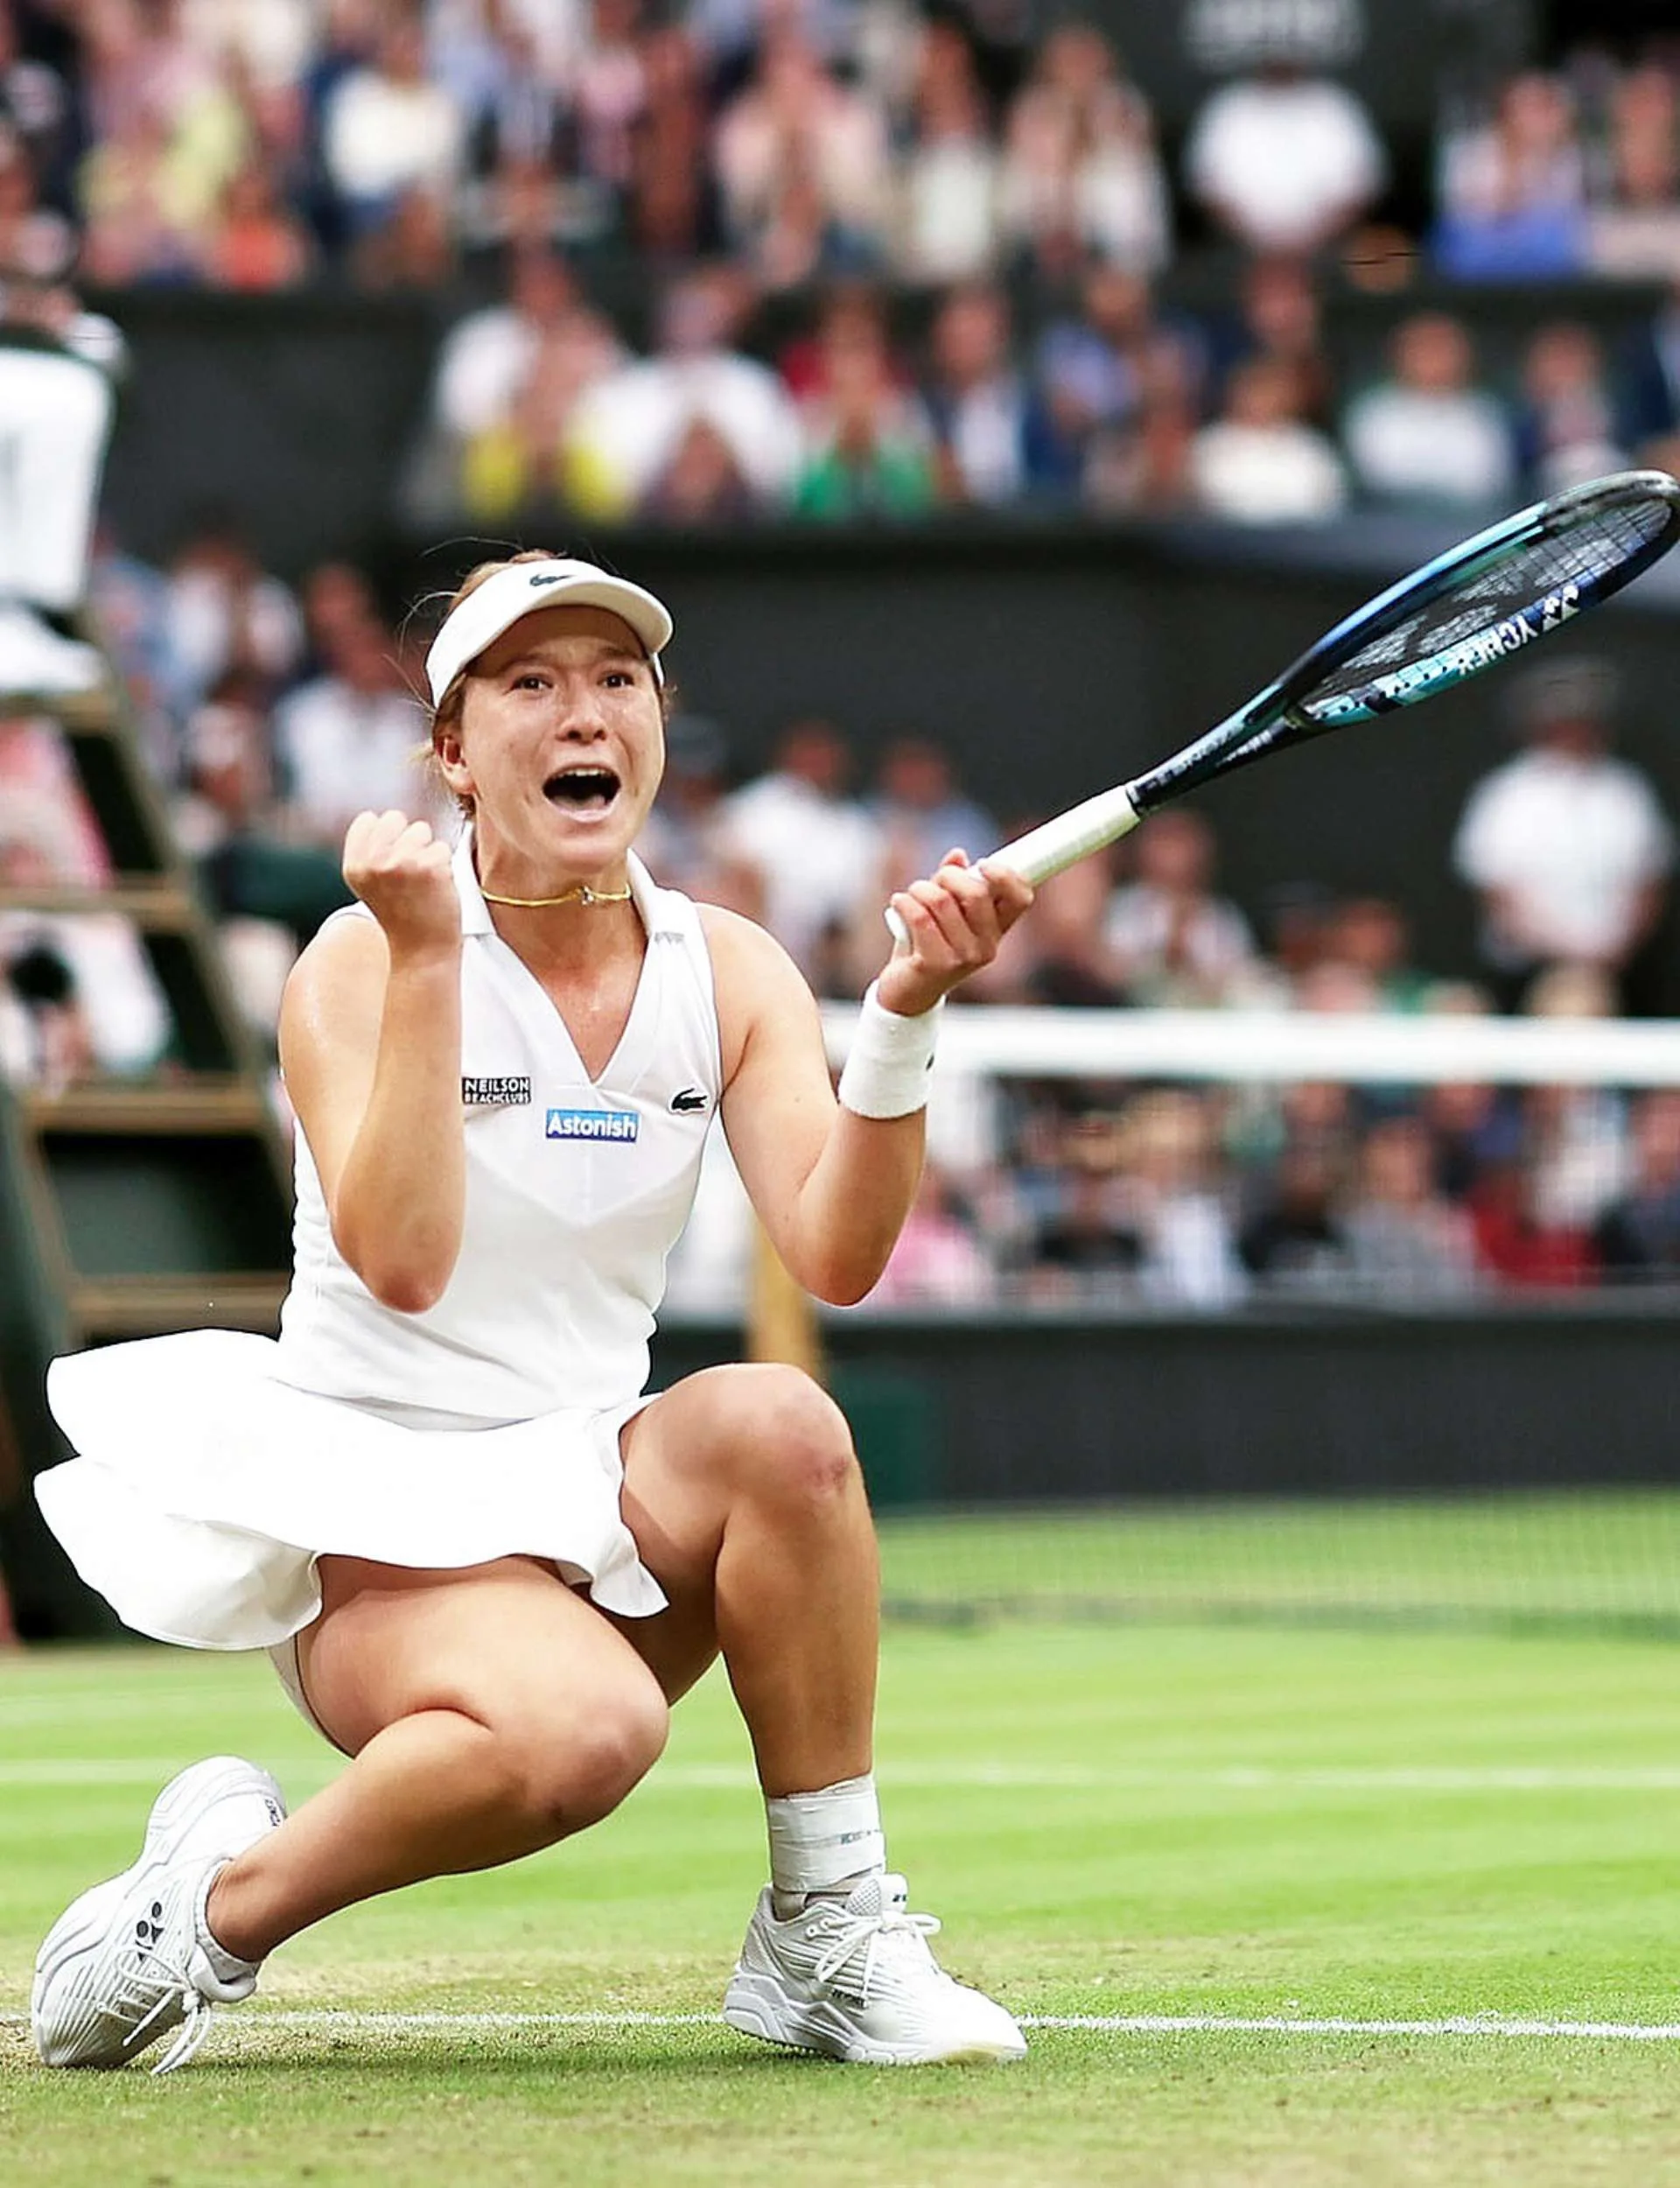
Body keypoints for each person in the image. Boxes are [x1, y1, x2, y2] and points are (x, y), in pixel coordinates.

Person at [28, 551, 1033, 2073]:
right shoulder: (358, 960)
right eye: (532, 683)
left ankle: (825, 1937)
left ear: (658, 722)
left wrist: (903, 1014)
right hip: (372, 1525)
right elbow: (403, 1262)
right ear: (453, 750)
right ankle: (206, 1916)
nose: (585, 714)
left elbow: (837, 1256)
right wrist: (433, 957)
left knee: (785, 1425)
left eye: (618, 680)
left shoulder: (732, 970)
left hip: (586, 1497)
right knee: (592, 1733)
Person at [1452, 656, 1673, 1012]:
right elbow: (1497, 891)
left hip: (1622, 968)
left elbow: (1650, 880)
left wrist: (1615, 948)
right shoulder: (1506, 793)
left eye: (1586, 718)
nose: (1578, 729)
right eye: (1567, 719)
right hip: (1527, 972)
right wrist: (1566, 951)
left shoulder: (1628, 789)